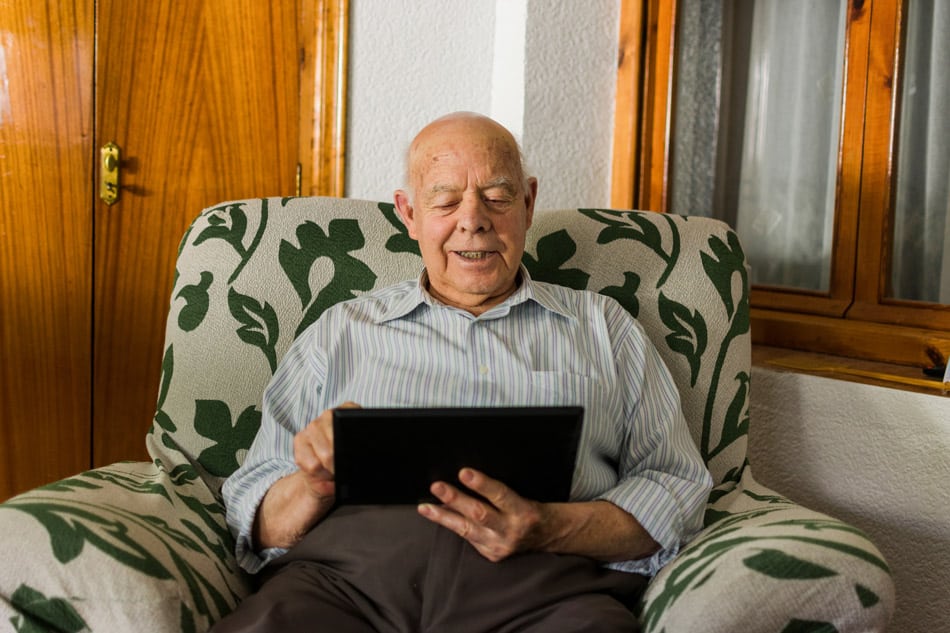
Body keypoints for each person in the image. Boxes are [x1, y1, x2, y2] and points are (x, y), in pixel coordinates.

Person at [213, 112, 712, 633]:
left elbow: (675, 485)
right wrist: (314, 485)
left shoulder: (604, 328)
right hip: (344, 586)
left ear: (528, 202)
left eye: (497, 197)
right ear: (408, 213)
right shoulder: (339, 331)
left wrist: (548, 527)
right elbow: (252, 510)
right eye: (446, 201)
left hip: (544, 592)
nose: (473, 219)